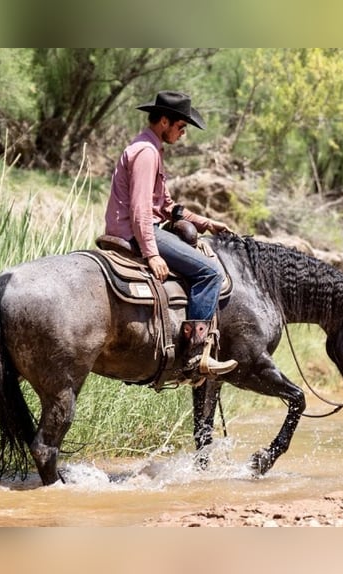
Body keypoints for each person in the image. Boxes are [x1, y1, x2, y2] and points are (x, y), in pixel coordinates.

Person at [105, 90, 238, 379]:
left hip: (141, 228)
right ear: (164, 121)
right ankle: (195, 353)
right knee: (210, 273)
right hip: (136, 233)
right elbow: (141, 208)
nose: (183, 134)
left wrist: (205, 223)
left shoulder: (151, 149)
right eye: (181, 127)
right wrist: (151, 253)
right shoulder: (146, 153)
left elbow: (166, 206)